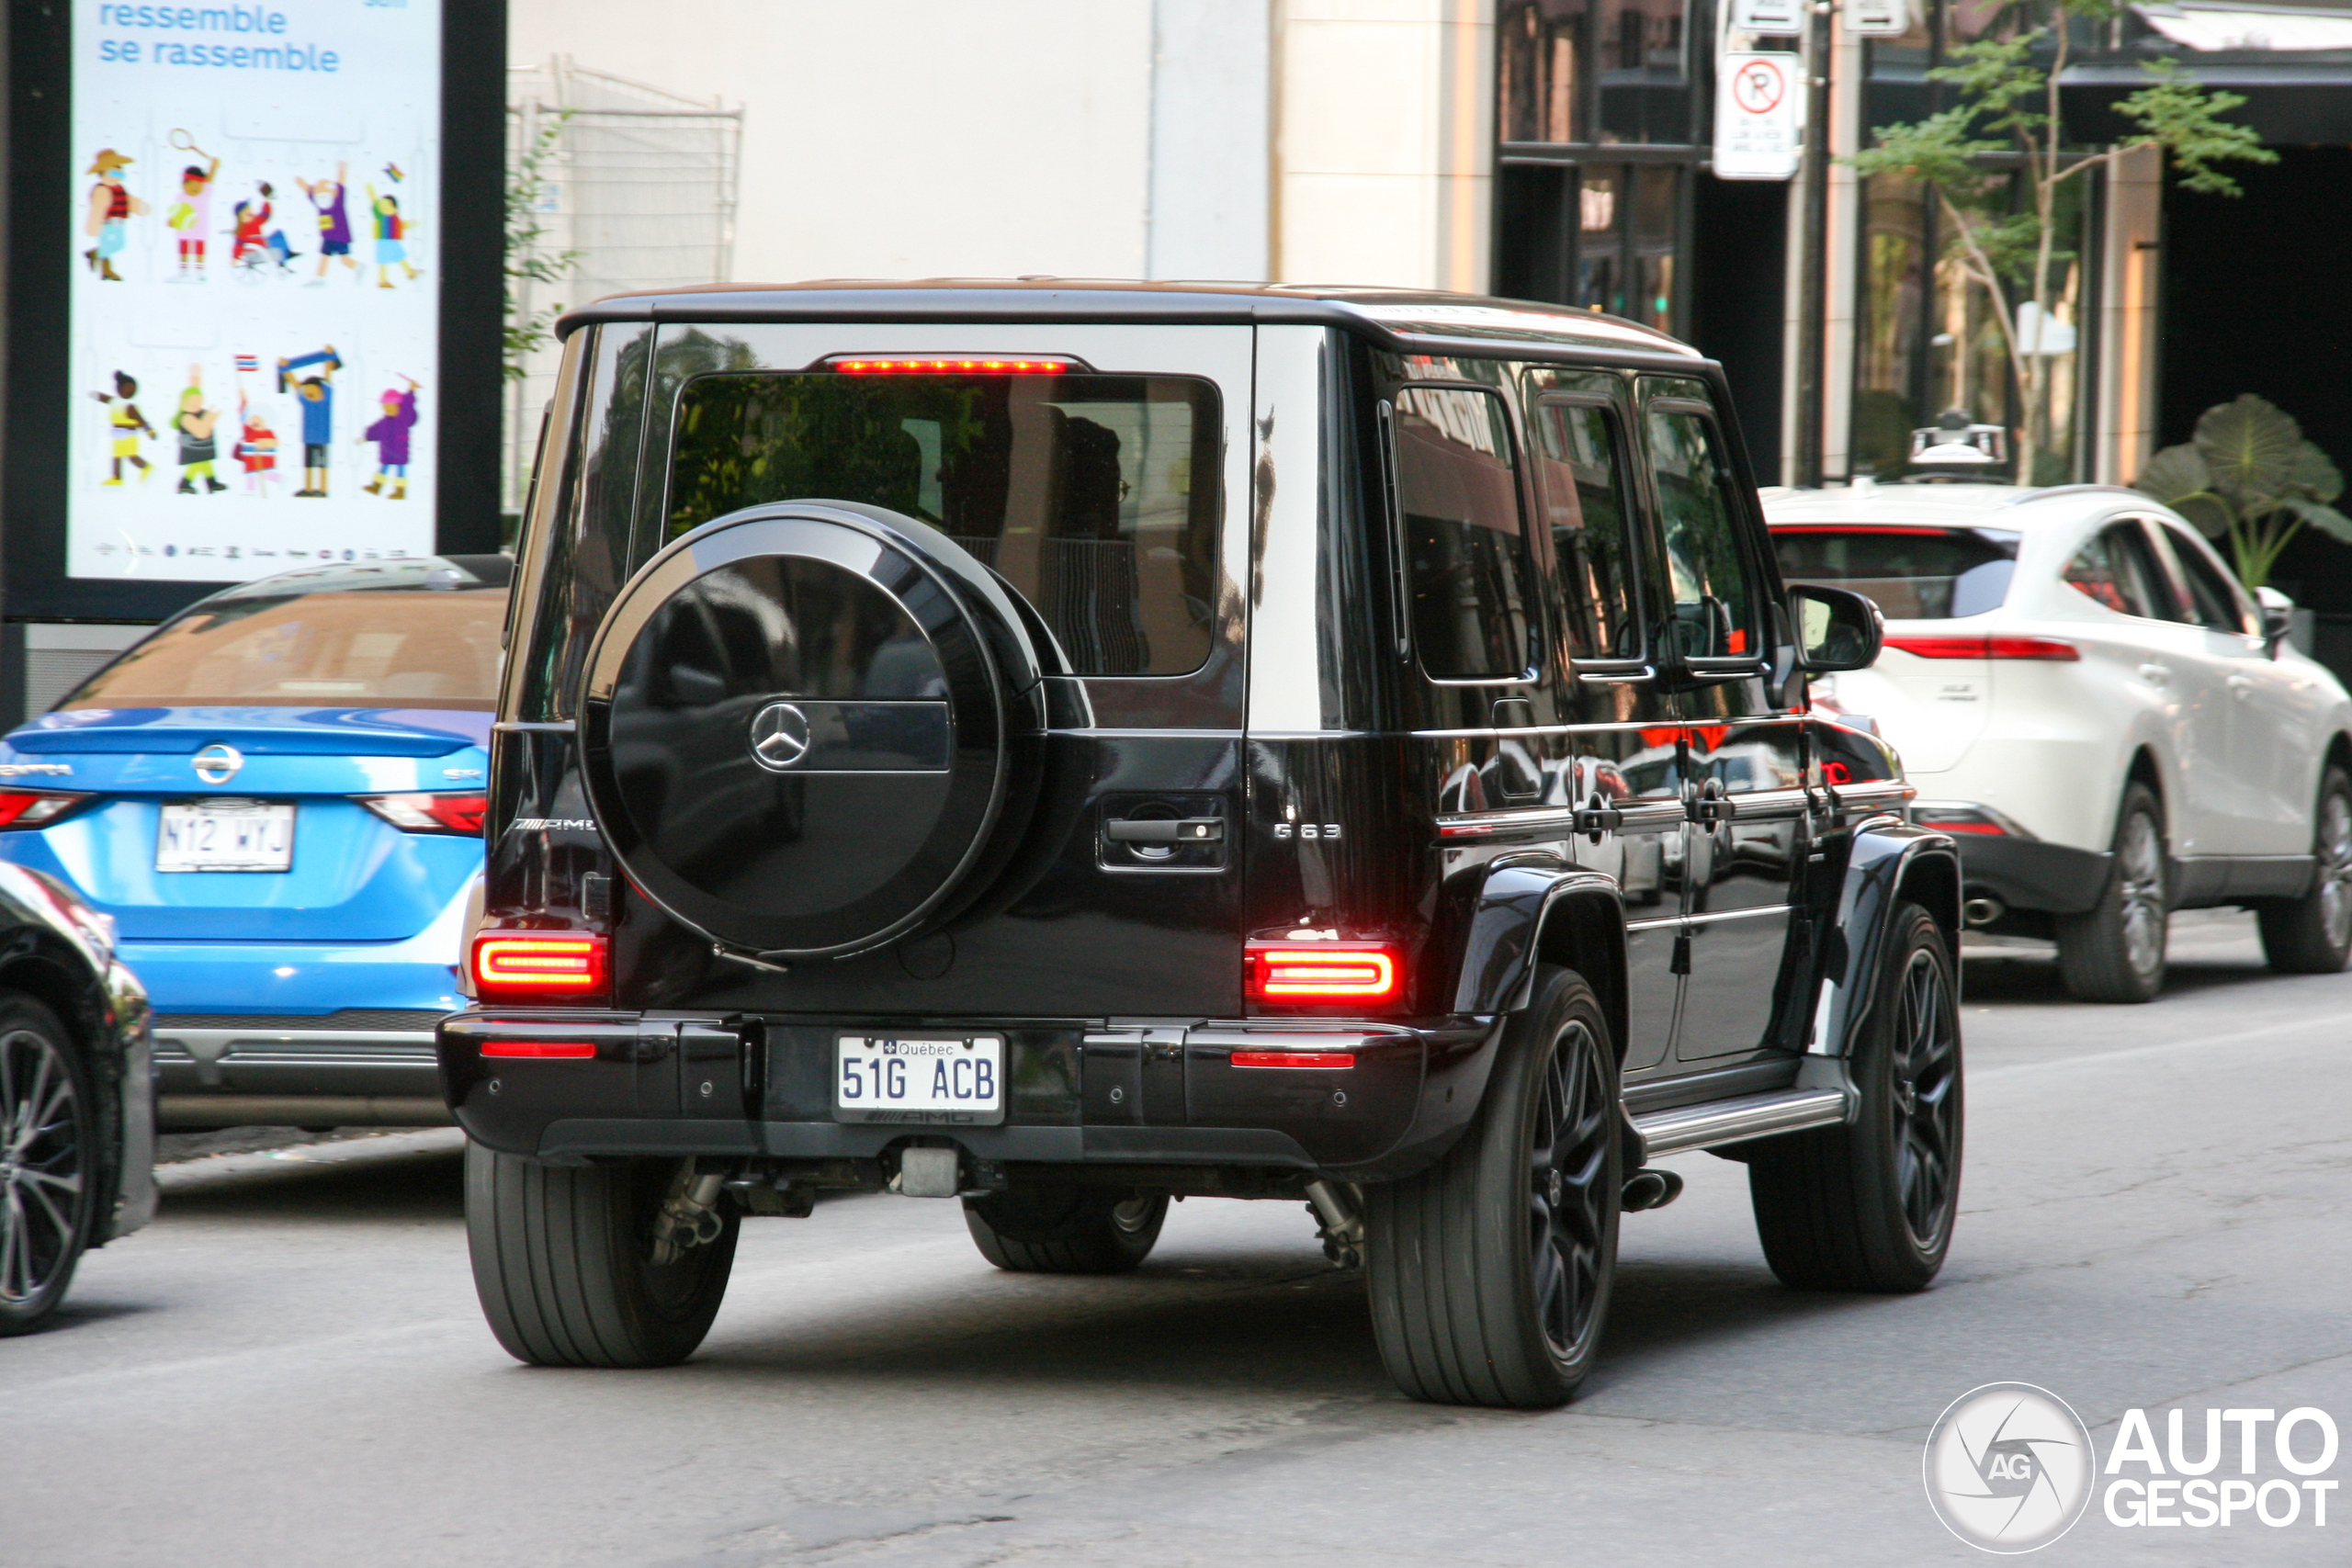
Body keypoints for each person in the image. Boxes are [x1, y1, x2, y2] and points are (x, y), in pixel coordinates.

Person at [278, 347, 341, 495]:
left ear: (322, 390)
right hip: (308, 437)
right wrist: (285, 368)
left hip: (323, 438)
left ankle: (323, 490)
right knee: (308, 464)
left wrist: (328, 358)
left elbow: (327, 376)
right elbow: (294, 383)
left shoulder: (326, 398)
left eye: (312, 391)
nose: (309, 394)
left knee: (322, 464)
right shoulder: (305, 401)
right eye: (307, 392)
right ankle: (308, 489)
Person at [83, 150, 146, 282]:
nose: (117, 176)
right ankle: (106, 271)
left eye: (120, 173)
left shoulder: (120, 189)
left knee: (118, 245)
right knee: (111, 245)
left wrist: (141, 207)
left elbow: (128, 201)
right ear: (103, 173)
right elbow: (97, 209)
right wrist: (93, 227)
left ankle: (97, 258)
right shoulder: (102, 190)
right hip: (107, 224)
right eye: (113, 173)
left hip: (119, 222)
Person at [357, 377, 421, 498]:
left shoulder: (403, 418)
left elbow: (407, 404)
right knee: (384, 467)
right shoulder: (385, 421)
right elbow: (376, 429)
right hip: (387, 450)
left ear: (398, 405)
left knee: (400, 470)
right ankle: (376, 486)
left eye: (391, 407)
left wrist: (411, 390)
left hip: (400, 450)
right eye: (386, 408)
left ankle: (400, 491)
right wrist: (367, 436)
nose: (389, 410)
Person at [165, 148, 221, 280]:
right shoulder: (180, 196)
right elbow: (177, 210)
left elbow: (209, 180)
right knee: (184, 247)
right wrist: (172, 220)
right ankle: (183, 271)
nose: (195, 190)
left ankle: (200, 272)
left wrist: (214, 167)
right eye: (191, 187)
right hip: (184, 228)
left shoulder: (204, 194)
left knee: (199, 247)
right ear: (184, 184)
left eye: (198, 187)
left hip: (200, 228)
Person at [91, 371, 155, 485]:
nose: (130, 391)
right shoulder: (115, 401)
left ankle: (147, 467)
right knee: (117, 456)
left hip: (129, 435)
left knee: (132, 456)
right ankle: (117, 478)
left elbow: (141, 420)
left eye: (132, 389)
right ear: (119, 388)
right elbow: (104, 398)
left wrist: (150, 431)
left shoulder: (130, 406)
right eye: (127, 388)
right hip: (117, 434)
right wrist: (96, 395)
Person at [300, 164, 358, 284]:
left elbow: (341, 184)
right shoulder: (318, 200)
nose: (320, 192)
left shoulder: (337, 199)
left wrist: (342, 169)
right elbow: (308, 189)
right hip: (328, 236)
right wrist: (299, 180)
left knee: (343, 259)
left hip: (339, 235)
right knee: (326, 256)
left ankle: (358, 268)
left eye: (324, 189)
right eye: (318, 189)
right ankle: (320, 278)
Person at [174, 367, 226, 494]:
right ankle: (184, 484)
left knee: (205, 463)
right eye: (192, 401)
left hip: (201, 447)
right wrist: (210, 418)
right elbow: (200, 431)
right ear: (184, 402)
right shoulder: (186, 417)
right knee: (196, 464)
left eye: (199, 400)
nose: (196, 404)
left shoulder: (199, 412)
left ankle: (212, 484)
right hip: (193, 447)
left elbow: (196, 388)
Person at [365, 185, 421, 288]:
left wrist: (412, 224)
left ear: (394, 208)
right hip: (383, 242)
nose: (384, 207)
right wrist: (370, 189)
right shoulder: (380, 215)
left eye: (388, 206)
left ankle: (410, 272)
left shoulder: (395, 218)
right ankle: (382, 281)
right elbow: (373, 201)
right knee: (383, 261)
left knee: (400, 256)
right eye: (382, 205)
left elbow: (402, 225)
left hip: (393, 241)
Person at [237, 391, 279, 498]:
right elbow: (242, 417)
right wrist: (244, 402)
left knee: (268, 475)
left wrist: (265, 443)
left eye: (259, 419)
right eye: (253, 419)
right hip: (251, 461)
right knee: (250, 476)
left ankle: (281, 481)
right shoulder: (248, 431)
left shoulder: (268, 433)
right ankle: (250, 491)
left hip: (265, 462)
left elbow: (275, 443)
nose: (255, 421)